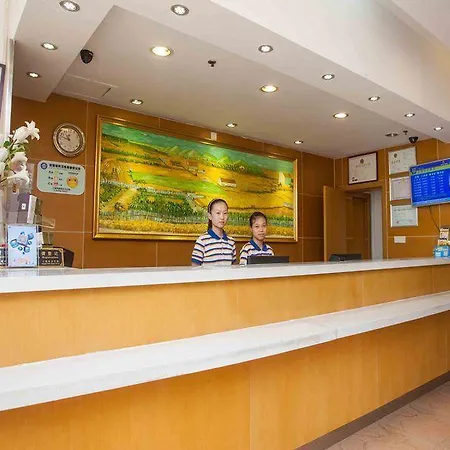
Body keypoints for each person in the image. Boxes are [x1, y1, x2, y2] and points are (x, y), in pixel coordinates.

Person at [191, 198, 236, 266]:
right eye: (218, 213)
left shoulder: (231, 242)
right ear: (210, 216)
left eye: (225, 213)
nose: (222, 217)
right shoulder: (202, 241)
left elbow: (233, 268)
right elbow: (195, 268)